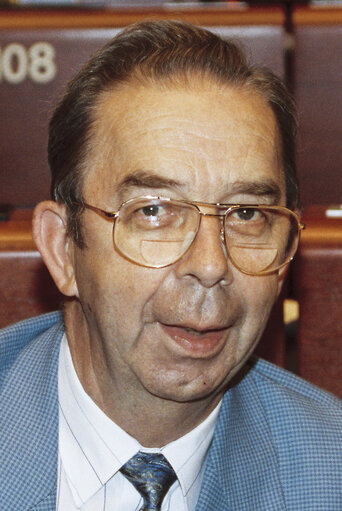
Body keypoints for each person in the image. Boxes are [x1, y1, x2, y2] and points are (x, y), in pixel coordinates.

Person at [1, 20, 341, 511]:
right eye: (154, 211)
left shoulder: (329, 471)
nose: (209, 265)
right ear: (62, 249)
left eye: (247, 213)